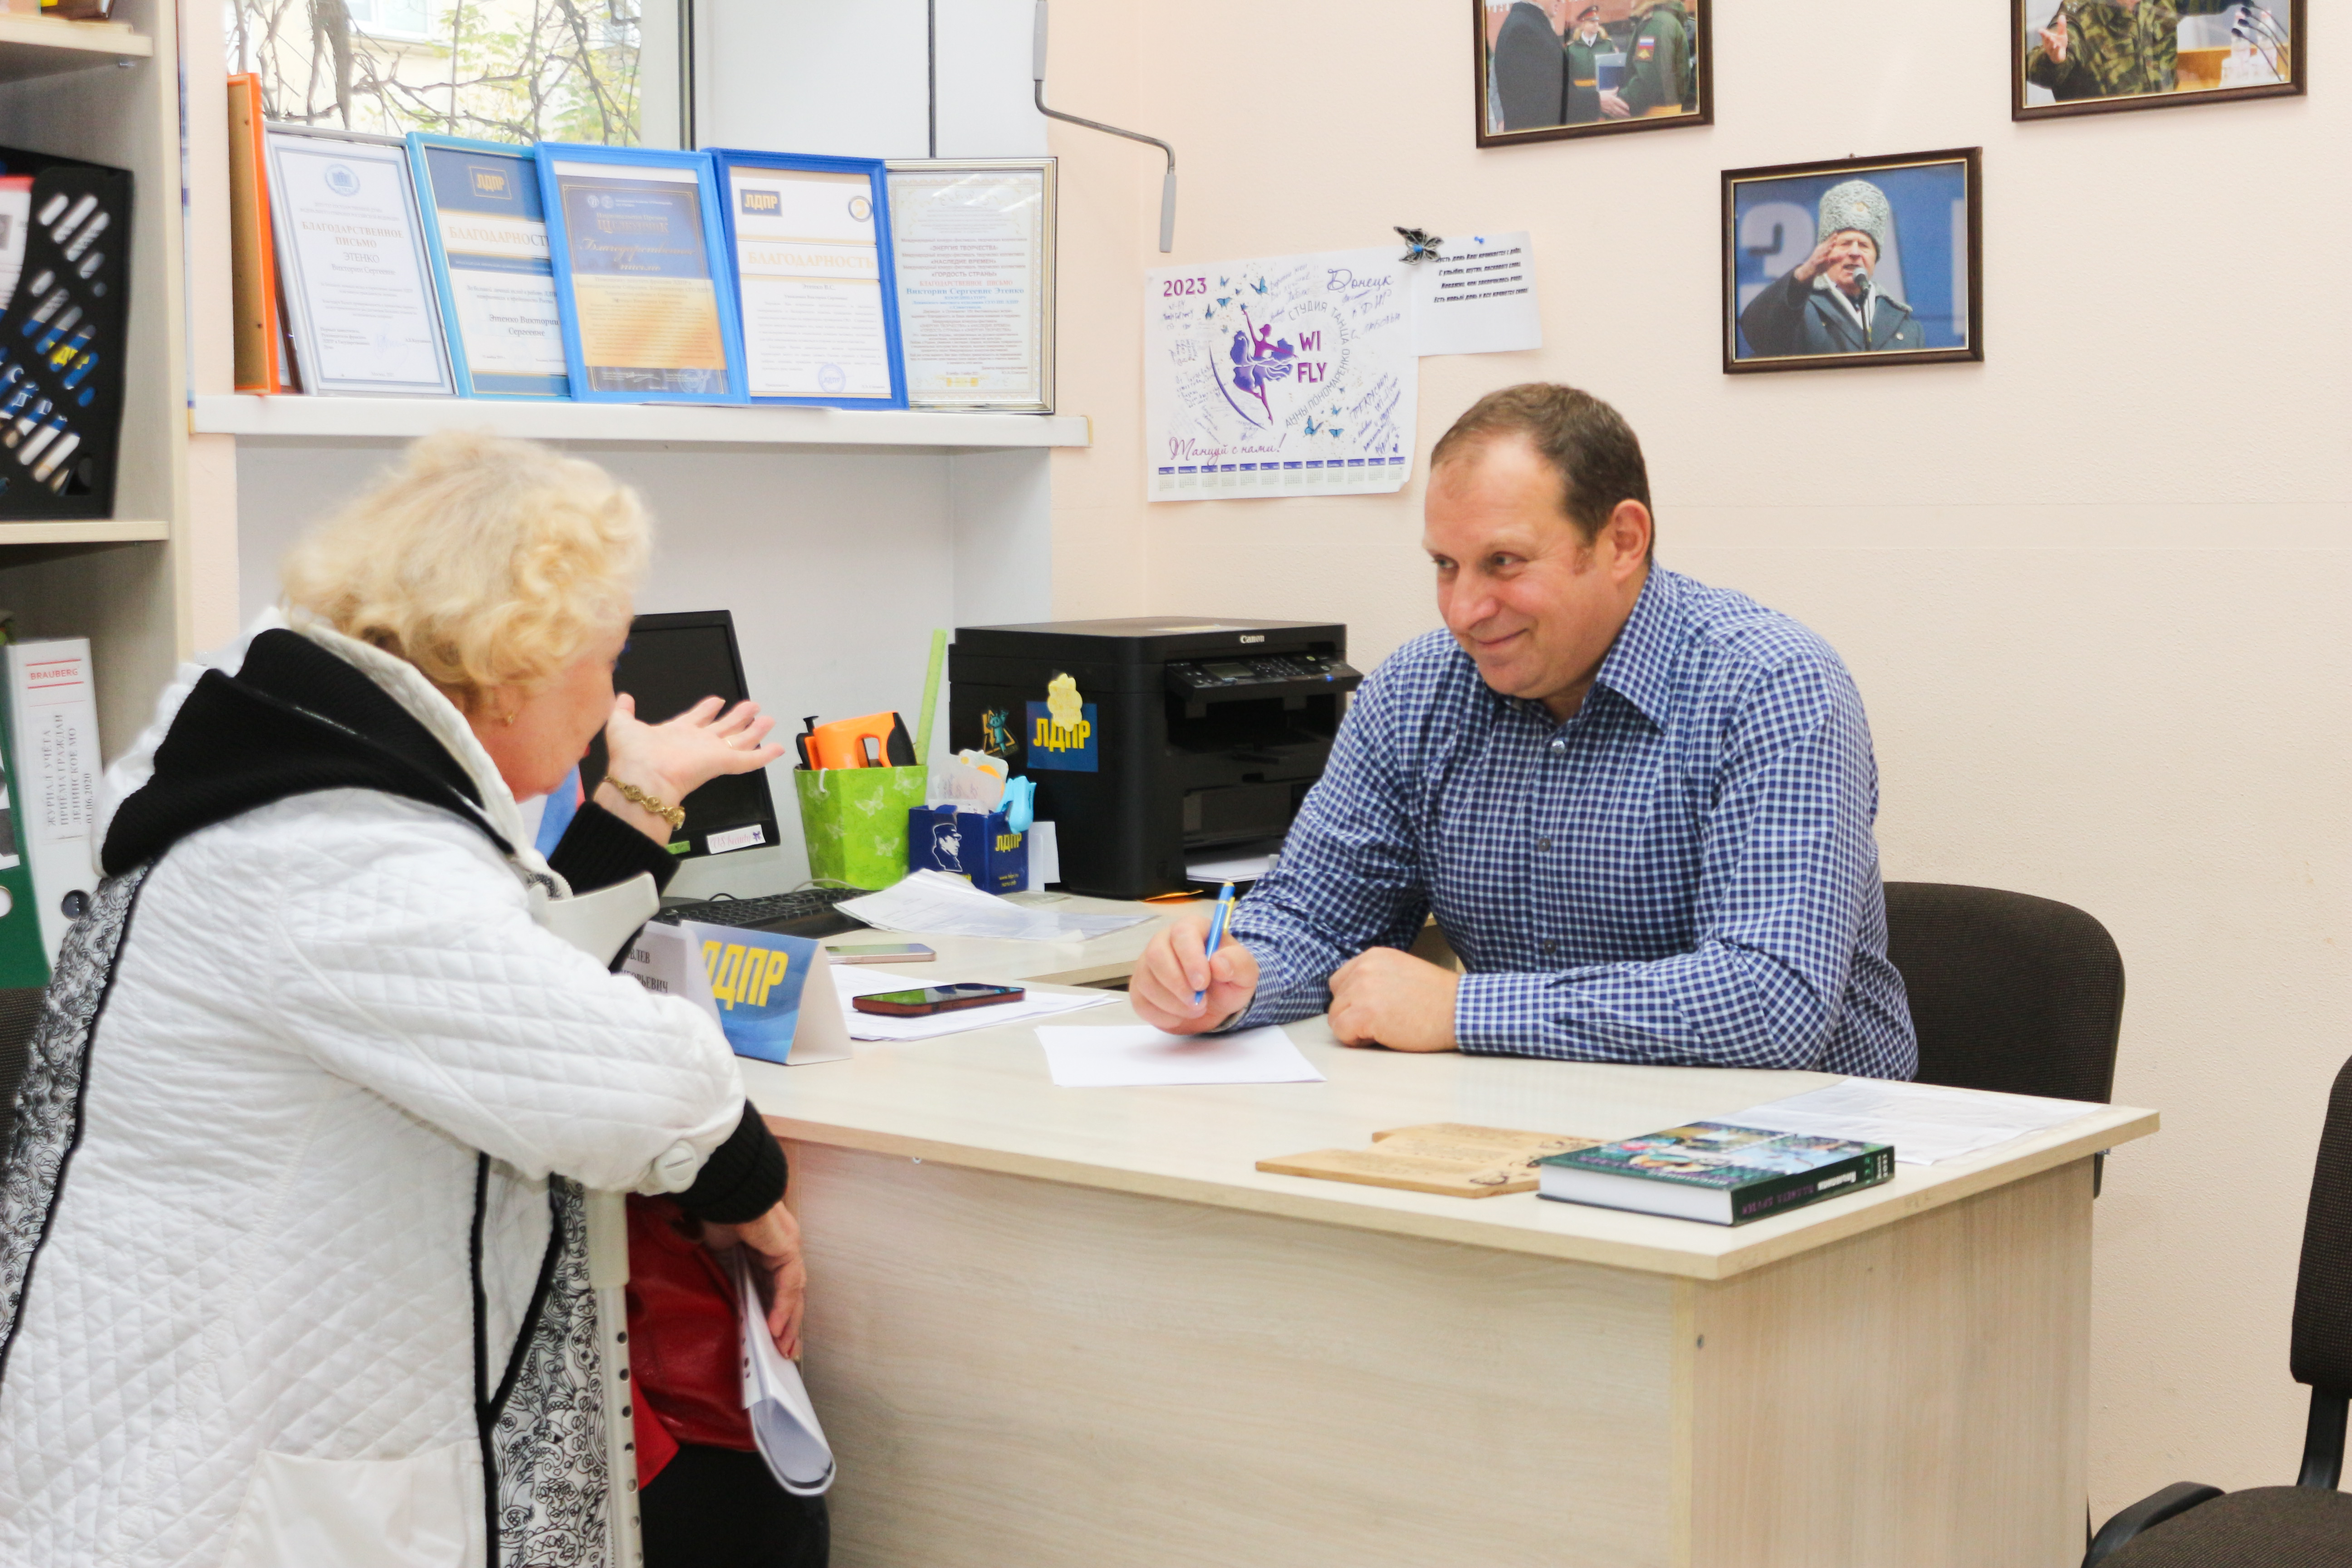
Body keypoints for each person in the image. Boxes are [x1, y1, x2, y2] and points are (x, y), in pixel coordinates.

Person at [0, 431, 819, 1568]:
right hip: (208, 1487)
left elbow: (499, 975)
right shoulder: (331, 844)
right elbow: (634, 1082)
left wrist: (633, 801)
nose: (610, 699)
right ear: (512, 662)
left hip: (188, 1420)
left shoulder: (306, 778)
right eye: (605, 660)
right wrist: (748, 1182)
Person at [1130, 384, 1914, 1079]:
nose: (1463, 610)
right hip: (1533, 1117)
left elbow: (1772, 1001)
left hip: (1803, 1143)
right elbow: (1316, 920)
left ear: (1621, 541)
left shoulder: (1771, 685)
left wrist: (1461, 1010)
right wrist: (1232, 976)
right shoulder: (1415, 693)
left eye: (1503, 562)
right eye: (1445, 565)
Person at [1736, 179, 1927, 358]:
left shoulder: (1908, 329)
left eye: (1864, 245)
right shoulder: (1796, 308)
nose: (1854, 252)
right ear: (1825, 252)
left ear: (1875, 259)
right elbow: (1758, 332)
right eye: (1845, 244)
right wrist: (1804, 273)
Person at [2024, 0, 2179, 101]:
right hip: (2103, 134)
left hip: (2163, 124)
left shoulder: (2159, 4)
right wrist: (2053, 59)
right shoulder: (2081, 12)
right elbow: (2033, 66)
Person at [1602, 0, 1695, 118]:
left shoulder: (1655, 23)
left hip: (1652, 115)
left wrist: (1614, 104)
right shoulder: (1663, 20)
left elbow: (1647, 80)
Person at [1490, 0, 1568, 131]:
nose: (1561, 1)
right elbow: (1543, 99)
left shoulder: (1528, 23)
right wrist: (1595, 102)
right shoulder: (1524, 29)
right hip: (1540, 138)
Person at [1563, 5, 1611, 122]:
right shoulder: (1571, 49)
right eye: (1592, 22)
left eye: (1597, 21)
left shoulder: (1607, 45)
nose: (1596, 24)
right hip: (1581, 101)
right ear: (1583, 24)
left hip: (1603, 99)